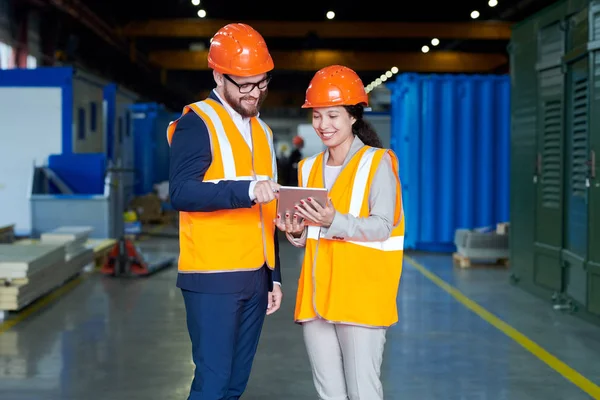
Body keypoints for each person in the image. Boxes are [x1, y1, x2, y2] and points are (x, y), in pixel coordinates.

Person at [167, 23, 283, 400]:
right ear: (219, 76)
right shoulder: (196, 122)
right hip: (213, 276)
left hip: (254, 276)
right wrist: (245, 189)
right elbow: (181, 192)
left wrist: (273, 275)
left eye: (261, 83)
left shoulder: (263, 132)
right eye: (244, 84)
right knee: (213, 384)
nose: (254, 93)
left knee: (234, 385)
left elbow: (269, 209)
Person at [275, 65, 405, 400]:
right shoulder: (307, 168)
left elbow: (382, 225)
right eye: (317, 116)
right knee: (330, 394)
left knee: (363, 392)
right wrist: (295, 232)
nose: (324, 125)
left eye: (333, 115)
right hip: (317, 297)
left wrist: (336, 219)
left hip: (360, 297)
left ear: (353, 117)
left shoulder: (378, 164)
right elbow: (309, 234)